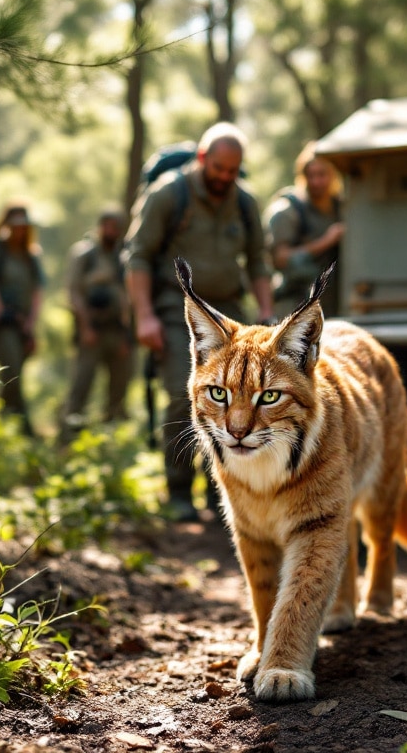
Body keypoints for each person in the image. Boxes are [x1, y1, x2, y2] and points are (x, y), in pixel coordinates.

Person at [124, 122, 274, 520]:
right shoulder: (168, 194)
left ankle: (221, 492)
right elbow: (137, 256)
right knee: (183, 392)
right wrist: (145, 316)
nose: (225, 177)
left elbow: (258, 260)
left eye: (233, 170)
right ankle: (177, 492)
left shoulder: (244, 202)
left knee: (240, 399)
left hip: (232, 314)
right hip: (177, 310)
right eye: (219, 168)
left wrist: (265, 310)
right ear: (203, 158)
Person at [59, 208, 134, 446]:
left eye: (116, 227)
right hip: (91, 329)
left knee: (118, 389)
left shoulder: (124, 257)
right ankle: (68, 439)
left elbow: (129, 297)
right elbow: (73, 292)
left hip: (117, 332)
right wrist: (85, 327)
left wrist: (127, 335)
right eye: (108, 226)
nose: (112, 231)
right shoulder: (85, 255)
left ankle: (112, 440)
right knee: (81, 386)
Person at [0, 204, 46, 436]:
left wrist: (31, 323)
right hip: (2, 324)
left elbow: (37, 290)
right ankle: (18, 426)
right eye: (14, 225)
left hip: (23, 325)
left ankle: (7, 423)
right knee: (11, 370)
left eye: (23, 226)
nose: (19, 231)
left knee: (15, 375)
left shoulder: (30, 256)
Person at [264, 142, 345, 318]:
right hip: (295, 305)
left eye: (322, 174)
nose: (315, 181)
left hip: (333, 304)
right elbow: (280, 259)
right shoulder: (288, 211)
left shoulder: (342, 207)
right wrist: (325, 242)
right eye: (310, 175)